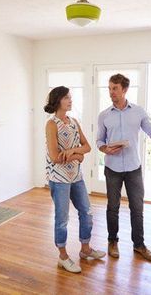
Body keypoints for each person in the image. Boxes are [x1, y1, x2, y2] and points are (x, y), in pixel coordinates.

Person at [96, 74, 151, 262]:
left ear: (124, 89)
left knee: (137, 208)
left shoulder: (138, 111)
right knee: (113, 207)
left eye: (115, 89)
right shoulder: (104, 115)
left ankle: (139, 245)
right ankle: (112, 242)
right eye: (109, 88)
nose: (111, 92)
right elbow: (99, 141)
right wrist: (105, 149)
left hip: (134, 167)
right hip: (112, 168)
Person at [44, 86, 106, 273]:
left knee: (86, 211)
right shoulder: (51, 124)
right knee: (62, 219)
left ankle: (85, 249)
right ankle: (63, 256)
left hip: (76, 176)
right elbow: (55, 156)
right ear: (58, 101)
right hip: (59, 178)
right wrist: (78, 156)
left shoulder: (73, 122)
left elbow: (87, 146)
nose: (70, 101)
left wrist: (73, 151)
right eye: (66, 98)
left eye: (71, 97)